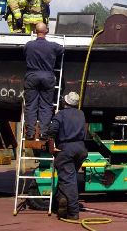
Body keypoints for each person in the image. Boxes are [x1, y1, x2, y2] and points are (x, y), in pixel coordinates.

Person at [45, 91, 87, 221]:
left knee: (68, 180)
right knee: (68, 177)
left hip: (67, 150)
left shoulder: (61, 114)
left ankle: (73, 212)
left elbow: (52, 130)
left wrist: (50, 141)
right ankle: (61, 200)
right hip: (80, 149)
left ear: (65, 102)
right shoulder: (81, 114)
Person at [23, 22, 64, 139]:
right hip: (47, 76)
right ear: (46, 31)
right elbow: (62, 49)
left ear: (35, 32)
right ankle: (43, 132)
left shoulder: (29, 45)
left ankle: (30, 133)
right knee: (46, 105)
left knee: (31, 105)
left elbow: (24, 53)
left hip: (32, 76)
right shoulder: (53, 46)